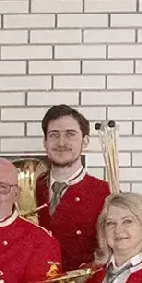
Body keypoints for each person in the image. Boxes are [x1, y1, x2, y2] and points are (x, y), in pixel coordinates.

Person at [35, 105, 110, 273]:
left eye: (70, 134)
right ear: (45, 142)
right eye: (54, 135)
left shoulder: (105, 193)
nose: (61, 143)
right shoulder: (28, 188)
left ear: (85, 141)